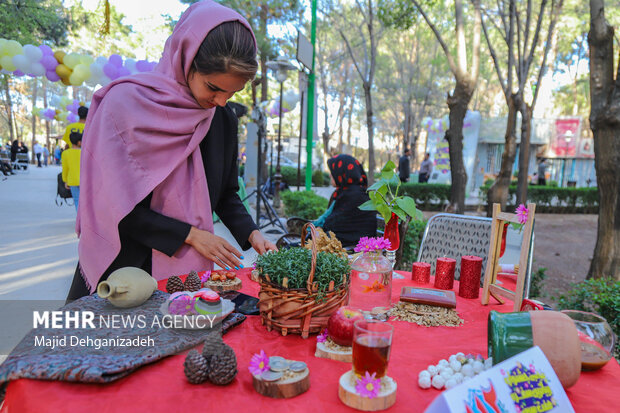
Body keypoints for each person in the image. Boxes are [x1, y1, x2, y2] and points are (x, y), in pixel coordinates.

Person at [66, 0, 276, 301]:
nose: (220, 101)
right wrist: (191, 235)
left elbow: (226, 193)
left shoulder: (223, 119)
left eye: (233, 93)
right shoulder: (124, 107)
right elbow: (111, 206)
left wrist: (253, 234)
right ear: (185, 60)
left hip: (184, 282)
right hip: (122, 271)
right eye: (213, 87)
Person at [312, 154, 376, 247]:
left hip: (351, 249)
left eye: (333, 172)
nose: (330, 175)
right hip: (344, 244)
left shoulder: (354, 195)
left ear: (342, 173)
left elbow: (332, 224)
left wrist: (318, 229)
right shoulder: (346, 192)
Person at [61, 132, 82, 211]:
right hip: (84, 181)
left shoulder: (65, 153)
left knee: (77, 200)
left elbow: (65, 169)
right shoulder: (84, 152)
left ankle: (80, 220)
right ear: (79, 142)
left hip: (72, 181)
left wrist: (65, 181)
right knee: (84, 201)